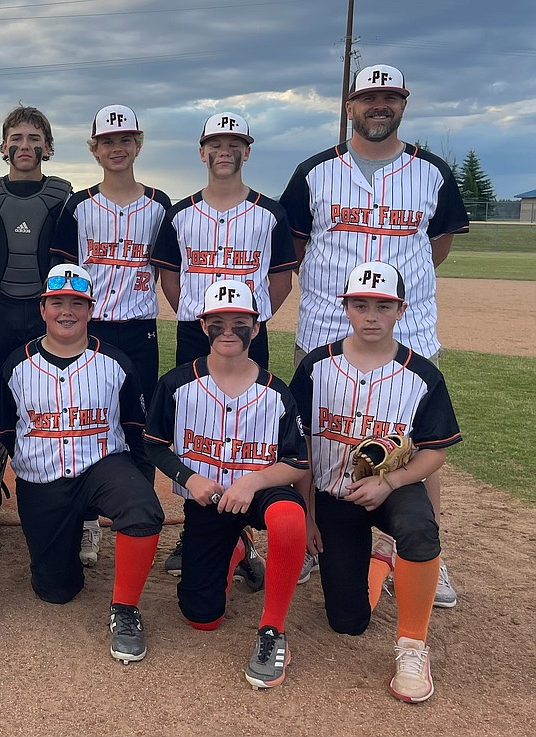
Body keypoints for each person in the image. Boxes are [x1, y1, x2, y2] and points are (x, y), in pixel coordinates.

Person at [280, 64, 469, 605]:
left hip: (408, 330)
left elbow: (437, 246)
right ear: (349, 105)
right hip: (324, 327)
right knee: (316, 437)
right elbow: (293, 248)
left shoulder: (430, 171)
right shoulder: (315, 172)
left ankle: (427, 548)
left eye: (389, 96)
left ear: (403, 103)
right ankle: (312, 542)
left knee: (414, 443)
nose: (378, 105)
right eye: (368, 97)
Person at [290, 261, 462, 703]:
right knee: (347, 622)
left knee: (419, 530)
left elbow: (434, 449)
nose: (371, 315)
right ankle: (379, 563)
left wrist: (393, 482)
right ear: (345, 307)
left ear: (400, 309)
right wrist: (308, 517)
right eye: (360, 304)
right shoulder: (315, 367)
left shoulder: (421, 375)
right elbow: (300, 448)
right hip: (334, 497)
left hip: (394, 490)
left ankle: (413, 647)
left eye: (382, 306)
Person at [151, 111, 296, 580]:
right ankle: (199, 527)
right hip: (199, 331)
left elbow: (280, 278)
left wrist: (250, 324)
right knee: (193, 429)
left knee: (250, 433)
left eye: (234, 143)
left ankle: (241, 536)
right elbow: (169, 275)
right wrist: (197, 313)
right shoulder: (180, 213)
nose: (224, 151)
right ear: (202, 152)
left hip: (248, 332)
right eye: (215, 143)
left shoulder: (270, 212)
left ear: (247, 151)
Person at [143, 279, 308, 689]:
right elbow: (154, 445)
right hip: (209, 498)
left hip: (263, 491)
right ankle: (236, 548)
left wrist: (254, 482)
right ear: (203, 325)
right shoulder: (178, 384)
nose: (229, 330)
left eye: (240, 322)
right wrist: (188, 477)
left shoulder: (276, 392)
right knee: (202, 618)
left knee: (289, 519)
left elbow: (298, 462)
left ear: (256, 326)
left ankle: (272, 630)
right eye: (218, 322)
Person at [0, 263, 165, 664]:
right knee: (56, 591)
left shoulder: (117, 363)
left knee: (142, 510)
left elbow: (135, 427)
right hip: (42, 479)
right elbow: (5, 431)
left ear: (91, 309)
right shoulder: (15, 366)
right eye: (57, 302)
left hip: (101, 468)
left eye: (77, 303)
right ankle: (75, 530)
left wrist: (138, 482)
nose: (66, 311)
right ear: (43, 308)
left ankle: (125, 609)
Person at [52, 103, 171, 571]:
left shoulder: (160, 205)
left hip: (140, 330)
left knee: (135, 426)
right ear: (94, 149)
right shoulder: (79, 206)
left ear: (138, 145)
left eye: (125, 139)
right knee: (87, 423)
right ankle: (85, 521)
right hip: (91, 329)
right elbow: (61, 273)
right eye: (107, 141)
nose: (116, 147)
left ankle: (133, 519)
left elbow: (169, 270)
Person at [0, 104, 74, 557]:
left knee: (51, 400)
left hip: (48, 312)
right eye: (17, 138)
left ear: (48, 147)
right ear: (3, 145)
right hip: (1, 309)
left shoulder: (65, 197)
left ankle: (59, 499)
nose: (25, 146)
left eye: (34, 139)